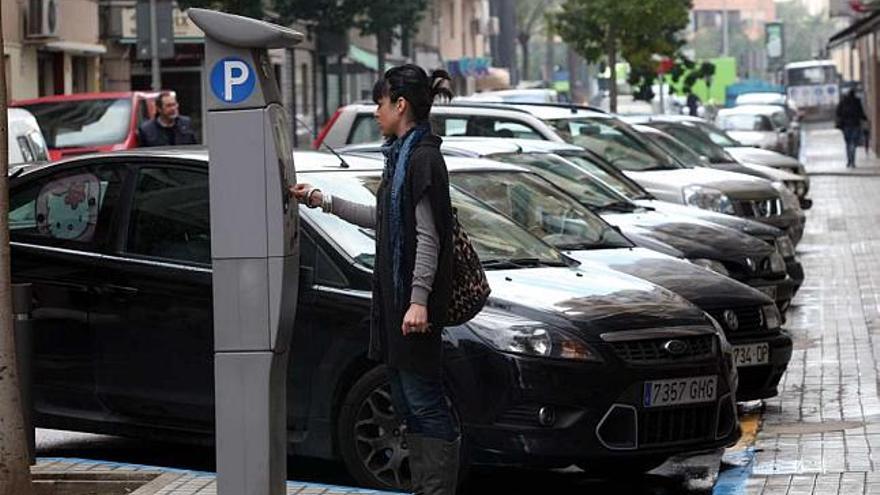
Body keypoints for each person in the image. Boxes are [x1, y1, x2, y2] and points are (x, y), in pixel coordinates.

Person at [291, 65, 459, 494]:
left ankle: (435, 490)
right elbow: (384, 219)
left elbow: (428, 236)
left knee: (423, 402)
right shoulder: (401, 157)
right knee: (406, 400)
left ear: (400, 105)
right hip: (396, 304)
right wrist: (321, 200)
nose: (376, 112)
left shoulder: (422, 160)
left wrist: (418, 300)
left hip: (410, 307)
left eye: (380, 104)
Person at [836, 89, 868, 168]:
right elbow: (861, 112)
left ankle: (849, 161)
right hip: (855, 125)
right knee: (853, 143)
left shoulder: (843, 102)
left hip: (846, 125)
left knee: (848, 143)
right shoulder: (857, 101)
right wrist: (865, 119)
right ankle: (852, 161)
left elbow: (838, 112)